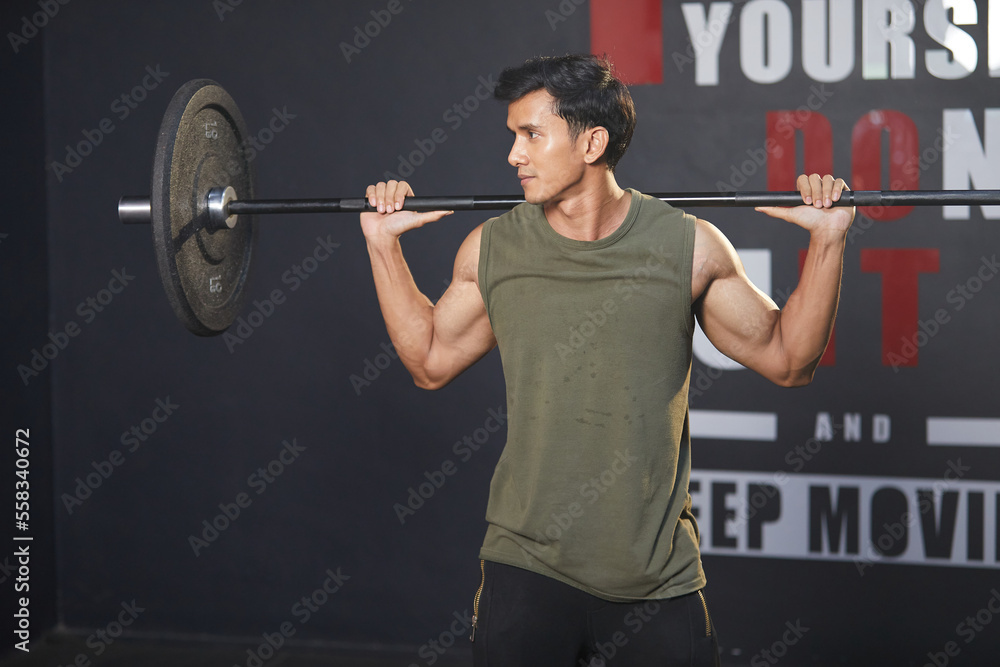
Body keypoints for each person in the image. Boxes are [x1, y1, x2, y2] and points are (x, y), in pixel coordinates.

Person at [359, 54, 853, 667]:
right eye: (513, 135)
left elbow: (789, 360)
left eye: (531, 135)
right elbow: (429, 360)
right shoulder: (495, 248)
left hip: (655, 571)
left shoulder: (687, 246)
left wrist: (826, 242)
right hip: (526, 564)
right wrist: (384, 250)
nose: (513, 155)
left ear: (591, 142)